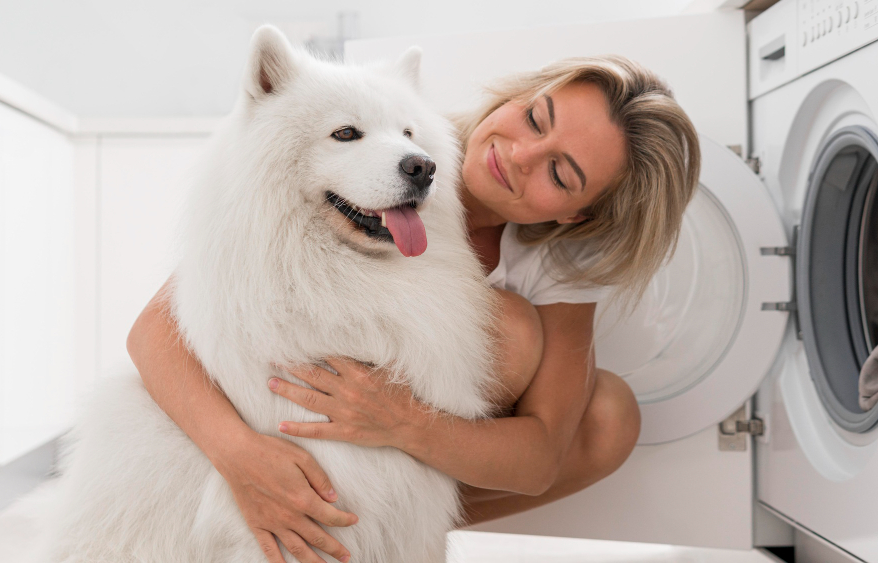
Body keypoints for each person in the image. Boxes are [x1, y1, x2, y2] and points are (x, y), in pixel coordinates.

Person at [127, 54, 700, 563]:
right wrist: (240, 459)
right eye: (534, 117)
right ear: (521, 94)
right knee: (512, 331)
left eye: (559, 172)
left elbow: (541, 459)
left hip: (408, 425)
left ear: (578, 215)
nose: (519, 155)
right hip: (287, 405)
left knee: (603, 408)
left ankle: (388, 522)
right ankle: (322, 507)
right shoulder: (405, 135)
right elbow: (157, 327)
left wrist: (402, 422)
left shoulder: (561, 258)